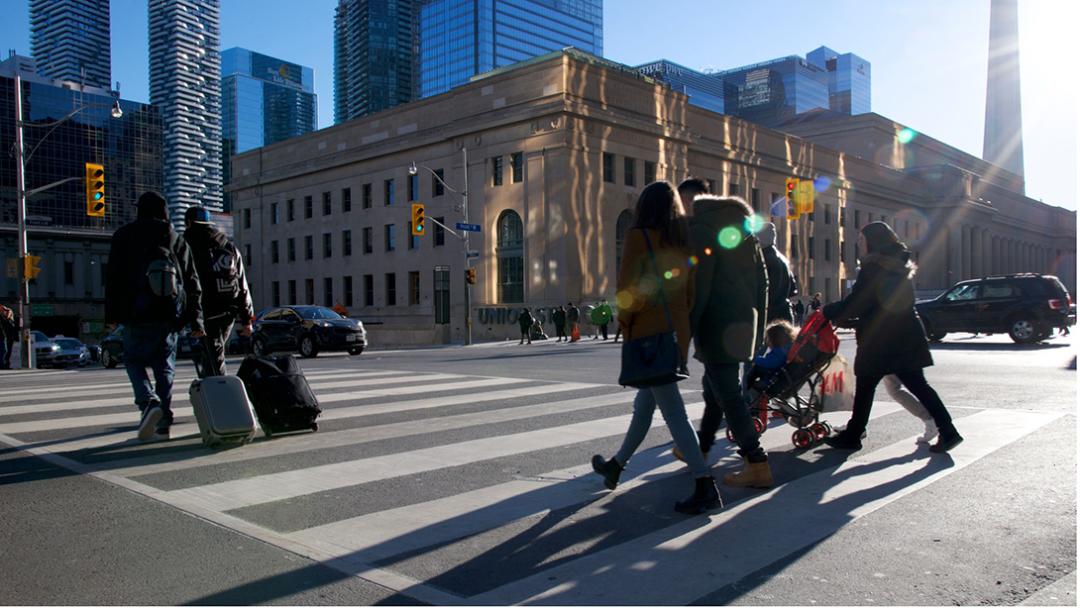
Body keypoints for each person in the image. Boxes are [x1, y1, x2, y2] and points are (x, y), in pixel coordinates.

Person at [591, 181, 721, 515]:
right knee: (644, 407)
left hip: (648, 337)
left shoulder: (639, 238)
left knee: (673, 412)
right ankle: (616, 466)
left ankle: (704, 482)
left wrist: (624, 321)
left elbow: (628, 289)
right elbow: (689, 296)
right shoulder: (682, 243)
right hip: (674, 336)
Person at [822, 221, 962, 453]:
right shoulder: (895, 265)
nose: (858, 244)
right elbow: (882, 303)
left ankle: (854, 436)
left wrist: (830, 311)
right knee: (911, 385)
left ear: (872, 241)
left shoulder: (874, 267)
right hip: (902, 334)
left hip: (883, 339)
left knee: (871, 384)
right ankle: (948, 431)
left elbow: (859, 301)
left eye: (861, 239)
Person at [688, 193, 772, 489]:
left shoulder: (702, 229)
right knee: (717, 388)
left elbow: (700, 283)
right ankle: (699, 446)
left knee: (729, 395)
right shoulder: (745, 229)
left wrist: (687, 329)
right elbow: (763, 283)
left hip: (716, 323)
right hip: (743, 323)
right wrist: (759, 328)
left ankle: (756, 460)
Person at [106, 192, 204, 442]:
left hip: (135, 313)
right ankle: (163, 424)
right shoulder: (175, 238)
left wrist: (112, 314)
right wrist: (196, 319)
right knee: (164, 367)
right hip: (168, 314)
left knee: (133, 359)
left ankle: (148, 402)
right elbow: (192, 281)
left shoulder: (124, 236)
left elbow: (113, 279)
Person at [182, 205, 254, 377]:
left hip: (206, 312)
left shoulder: (189, 247)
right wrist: (247, 320)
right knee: (212, 356)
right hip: (229, 311)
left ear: (189, 223)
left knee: (214, 359)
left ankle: (221, 396)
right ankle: (211, 395)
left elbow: (186, 282)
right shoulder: (230, 247)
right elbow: (242, 285)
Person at [758, 223, 796, 324]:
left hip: (770, 315)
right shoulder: (784, 260)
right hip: (785, 313)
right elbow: (793, 289)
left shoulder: (763, 260)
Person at [0, 304, 15, 369]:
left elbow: (12, 327)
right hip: (3, 337)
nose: (6, 312)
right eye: (4, 310)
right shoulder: (2, 318)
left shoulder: (9, 319)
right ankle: (2, 365)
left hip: (8, 337)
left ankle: (6, 365)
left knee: (7, 351)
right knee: (4, 351)